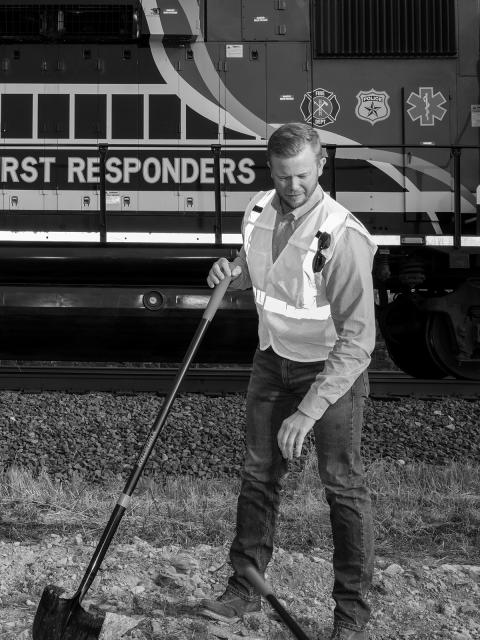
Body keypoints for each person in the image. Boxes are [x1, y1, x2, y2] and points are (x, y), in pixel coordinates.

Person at [201, 123, 376, 640]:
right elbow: (262, 271)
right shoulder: (258, 209)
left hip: (329, 373)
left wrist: (309, 410)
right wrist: (229, 271)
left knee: (341, 487)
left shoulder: (342, 236)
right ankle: (244, 588)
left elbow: (360, 342)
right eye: (282, 176)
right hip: (271, 361)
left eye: (301, 174)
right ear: (271, 171)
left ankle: (351, 617)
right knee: (258, 476)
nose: (291, 185)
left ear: (321, 166)